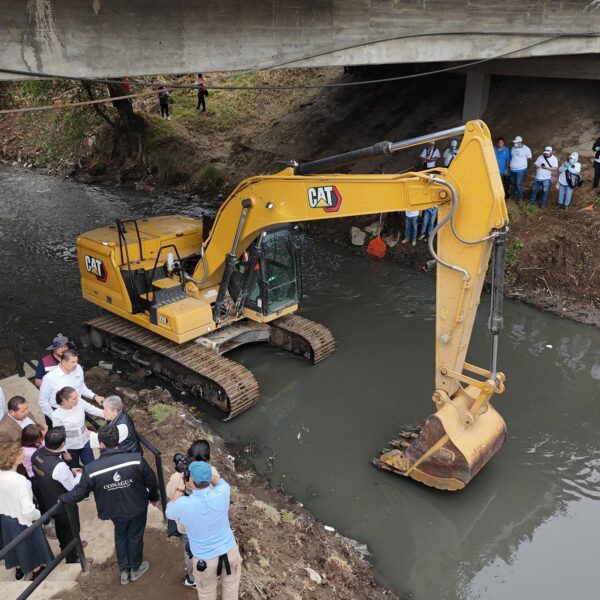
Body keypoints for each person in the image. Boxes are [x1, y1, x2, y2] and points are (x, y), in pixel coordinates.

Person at [61, 424, 159, 586]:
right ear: (118, 441)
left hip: (113, 511)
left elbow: (80, 493)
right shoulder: (135, 458)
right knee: (135, 535)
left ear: (101, 444)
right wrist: (153, 497)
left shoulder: (92, 469)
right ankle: (135, 568)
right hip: (137, 507)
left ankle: (124, 571)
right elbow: (151, 480)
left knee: (120, 535)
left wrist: (63, 498)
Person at [166, 461, 242, 600]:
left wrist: (181, 488)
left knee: (207, 594)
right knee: (231, 590)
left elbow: (169, 512)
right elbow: (221, 481)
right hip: (230, 553)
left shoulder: (184, 505)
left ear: (189, 480)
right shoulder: (223, 492)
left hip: (205, 561)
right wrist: (205, 473)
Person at [31, 427, 91, 565]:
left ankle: (68, 546)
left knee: (61, 527)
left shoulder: (37, 454)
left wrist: (69, 472)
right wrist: (79, 475)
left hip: (47, 498)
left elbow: (48, 475)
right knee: (70, 529)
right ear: (62, 444)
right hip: (63, 503)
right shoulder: (58, 466)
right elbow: (71, 486)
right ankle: (74, 557)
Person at [0, 441, 53, 581]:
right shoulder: (21, 481)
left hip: (5, 518)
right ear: (12, 457)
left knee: (12, 544)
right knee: (30, 546)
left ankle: (19, 569)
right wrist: (39, 515)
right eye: (19, 452)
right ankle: (36, 570)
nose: (23, 454)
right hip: (22, 519)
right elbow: (28, 510)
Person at [166, 439, 215, 589]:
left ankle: (193, 578)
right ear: (208, 458)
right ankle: (212, 571)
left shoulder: (178, 478)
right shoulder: (211, 472)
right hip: (208, 523)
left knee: (190, 552)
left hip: (187, 526)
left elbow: (169, 496)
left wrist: (180, 481)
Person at [38, 349, 104, 424]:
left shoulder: (78, 368)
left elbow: (81, 387)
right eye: (73, 362)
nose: (76, 364)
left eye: (76, 361)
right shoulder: (49, 378)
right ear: (63, 362)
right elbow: (43, 401)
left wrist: (94, 396)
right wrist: (54, 417)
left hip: (76, 405)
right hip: (56, 410)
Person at [51, 387, 104, 468]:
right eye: (74, 398)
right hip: (70, 447)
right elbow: (58, 435)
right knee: (74, 469)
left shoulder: (80, 402)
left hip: (85, 442)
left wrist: (108, 414)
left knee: (91, 466)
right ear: (65, 400)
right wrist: (64, 452)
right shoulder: (56, 415)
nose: (78, 399)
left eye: (77, 396)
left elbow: (93, 410)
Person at [509, 135, 532, 203]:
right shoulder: (513, 148)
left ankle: (520, 197)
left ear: (520, 142)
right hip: (512, 169)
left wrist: (522, 160)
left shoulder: (526, 149)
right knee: (513, 183)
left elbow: (529, 157)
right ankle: (512, 196)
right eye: (514, 142)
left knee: (518, 183)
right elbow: (512, 156)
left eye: (516, 142)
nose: (514, 144)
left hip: (521, 169)